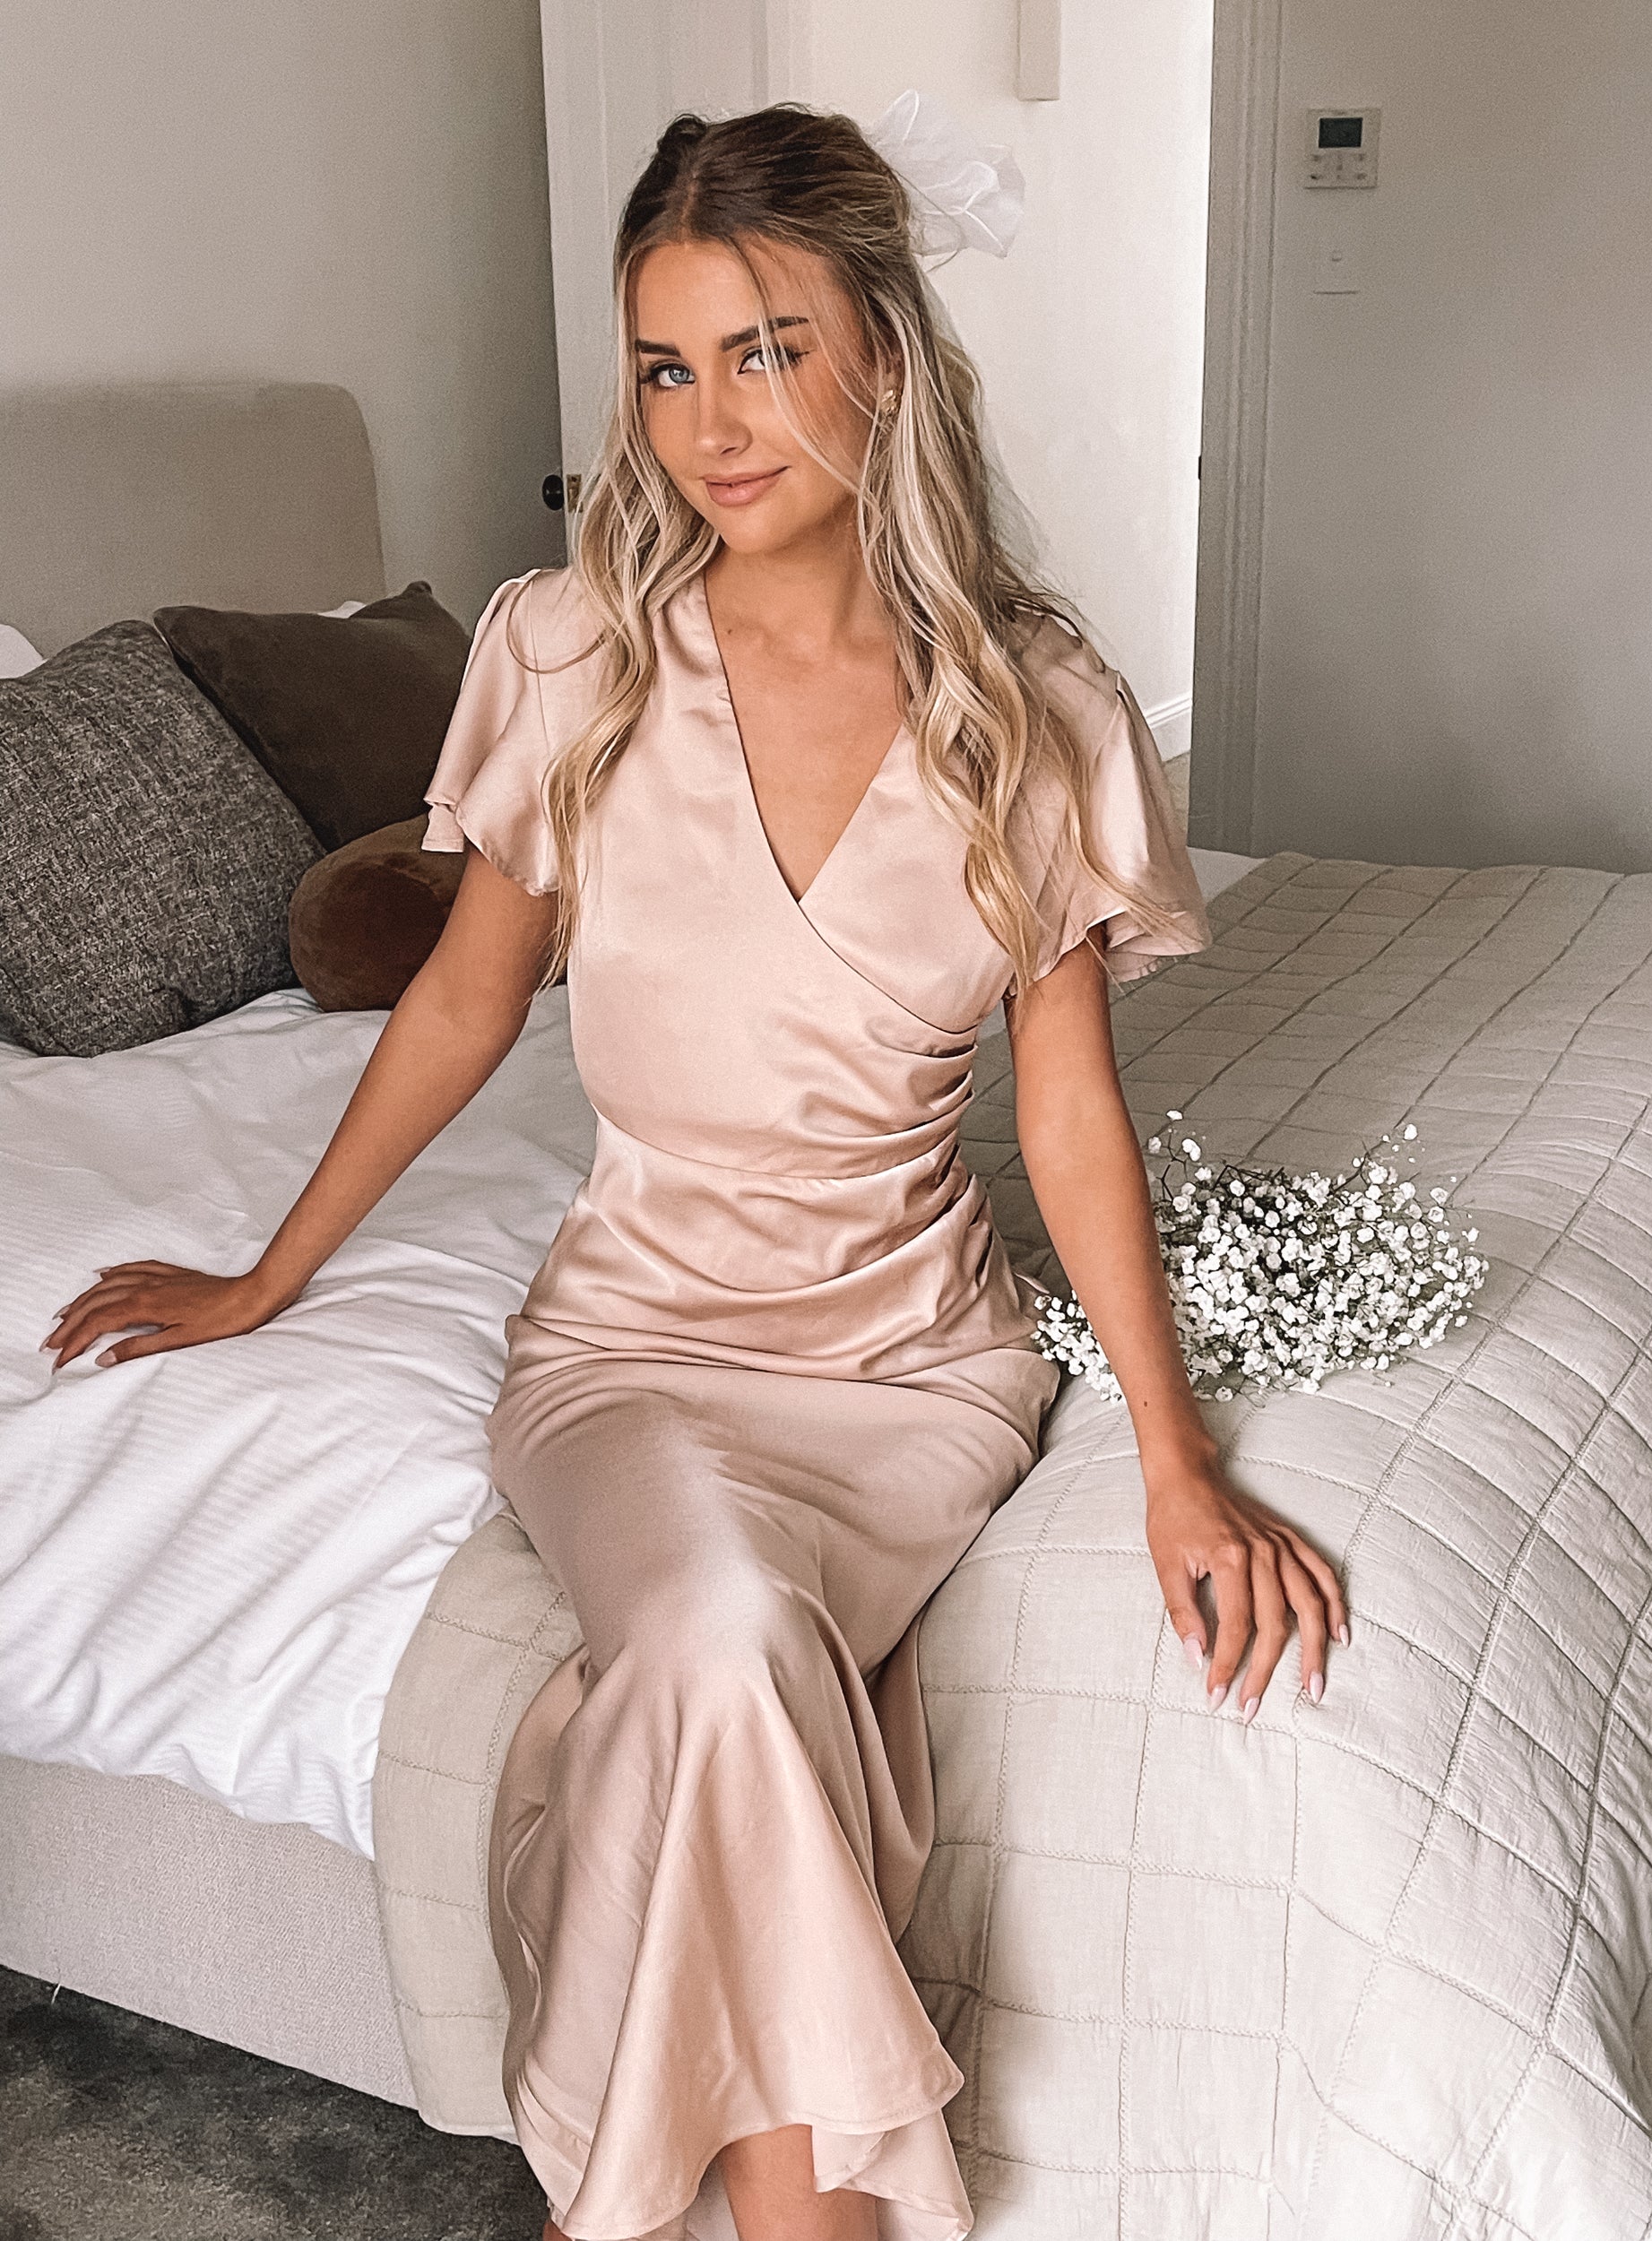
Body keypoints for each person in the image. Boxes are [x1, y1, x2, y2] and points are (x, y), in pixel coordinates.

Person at [45, 104, 1345, 2241]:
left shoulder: (1032, 710)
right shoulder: (570, 654)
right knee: (724, 1643)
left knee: (697, 1692)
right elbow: (460, 1007)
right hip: (632, 1353)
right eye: (665, 366)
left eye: (764, 348)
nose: (711, 423)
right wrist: (265, 1277)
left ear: (885, 357)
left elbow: (1064, 1112)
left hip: (911, 1374)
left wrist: (1173, 1456)